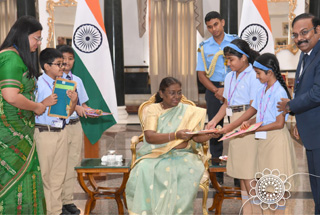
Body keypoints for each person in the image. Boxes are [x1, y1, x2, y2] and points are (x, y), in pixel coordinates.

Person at [220, 53, 297, 214]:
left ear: (269, 72)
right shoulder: (263, 89)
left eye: (258, 73)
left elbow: (278, 123)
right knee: (266, 186)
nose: (256, 77)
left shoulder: (279, 92)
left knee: (276, 185)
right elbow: (261, 113)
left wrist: (254, 129)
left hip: (276, 141)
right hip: (264, 141)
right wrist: (249, 122)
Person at [125, 77, 215, 215]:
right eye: (172, 93)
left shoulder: (189, 111)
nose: (177, 97)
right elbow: (149, 137)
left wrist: (209, 134)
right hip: (155, 153)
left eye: (179, 92)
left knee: (185, 171)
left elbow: (196, 137)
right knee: (143, 169)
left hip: (184, 155)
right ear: (161, 93)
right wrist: (176, 135)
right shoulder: (153, 109)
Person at [0, 16, 56, 214]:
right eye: (36, 38)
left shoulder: (16, 57)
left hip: (20, 129)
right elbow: (11, 96)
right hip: (9, 133)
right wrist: (36, 107)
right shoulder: (10, 58)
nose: (38, 43)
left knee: (26, 176)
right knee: (11, 179)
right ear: (24, 36)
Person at [206, 39, 263, 214]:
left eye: (231, 59)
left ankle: (256, 211)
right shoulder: (229, 76)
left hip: (248, 122)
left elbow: (254, 107)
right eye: (227, 60)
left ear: (244, 58)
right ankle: (248, 210)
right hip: (234, 120)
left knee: (249, 173)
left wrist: (230, 129)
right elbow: (226, 104)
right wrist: (214, 121)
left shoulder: (254, 75)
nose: (228, 63)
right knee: (242, 173)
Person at [277, 13, 320, 214]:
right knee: (316, 185)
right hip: (311, 131)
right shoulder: (306, 54)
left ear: (318, 30)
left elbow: (317, 93)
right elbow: (304, 88)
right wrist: (298, 123)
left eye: (304, 32)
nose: (299, 38)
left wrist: (290, 105)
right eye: (294, 35)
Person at [196, 11, 238, 185]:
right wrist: (216, 90)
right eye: (209, 27)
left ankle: (238, 174)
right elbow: (201, 74)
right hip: (214, 91)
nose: (213, 29)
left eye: (216, 24)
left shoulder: (235, 41)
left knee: (238, 130)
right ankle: (217, 175)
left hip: (236, 89)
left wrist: (228, 89)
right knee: (215, 131)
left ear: (223, 22)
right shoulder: (204, 46)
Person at [35, 48, 78, 215]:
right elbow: (32, 111)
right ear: (46, 66)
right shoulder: (37, 84)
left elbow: (66, 113)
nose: (63, 67)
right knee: (46, 176)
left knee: (58, 176)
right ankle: (47, 211)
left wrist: (73, 102)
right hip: (45, 133)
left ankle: (56, 211)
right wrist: (44, 103)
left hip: (61, 131)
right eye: (58, 64)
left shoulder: (62, 83)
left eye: (63, 63)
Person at [57, 45, 91, 215]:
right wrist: (75, 106)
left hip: (75, 125)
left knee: (72, 164)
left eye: (70, 58)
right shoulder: (53, 80)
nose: (67, 62)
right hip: (59, 127)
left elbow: (83, 104)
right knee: (59, 166)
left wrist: (88, 110)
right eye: (63, 59)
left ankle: (68, 200)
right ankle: (57, 202)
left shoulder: (77, 80)